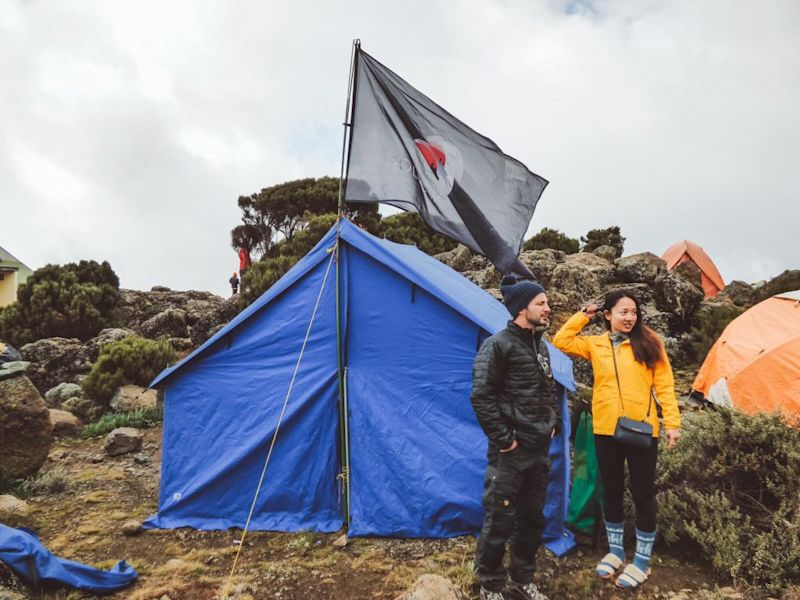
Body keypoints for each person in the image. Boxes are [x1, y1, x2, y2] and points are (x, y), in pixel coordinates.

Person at [552, 289, 681, 590]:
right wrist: (584, 315)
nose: (630, 317)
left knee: (642, 493)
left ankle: (643, 560)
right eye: (623, 312)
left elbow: (665, 385)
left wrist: (672, 423)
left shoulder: (650, 343)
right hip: (606, 430)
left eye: (634, 312)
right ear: (608, 315)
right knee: (611, 490)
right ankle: (616, 552)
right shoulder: (596, 345)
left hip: (642, 430)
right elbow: (561, 341)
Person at [471, 275, 558, 600]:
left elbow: (549, 390)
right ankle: (490, 586)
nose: (548, 308)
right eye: (541, 303)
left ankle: (522, 581)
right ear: (523, 308)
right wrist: (505, 439)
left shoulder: (542, 348)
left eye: (547, 302)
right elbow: (481, 396)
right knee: (500, 520)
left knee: (533, 520)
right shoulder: (497, 345)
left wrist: (554, 422)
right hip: (509, 454)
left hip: (538, 452)